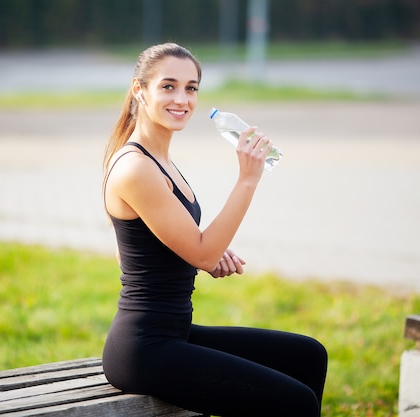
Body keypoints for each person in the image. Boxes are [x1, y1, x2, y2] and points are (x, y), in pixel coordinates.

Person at [102, 42, 327, 417]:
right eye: (168, 86)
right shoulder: (136, 166)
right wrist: (248, 180)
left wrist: (196, 251)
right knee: (296, 403)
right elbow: (201, 252)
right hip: (145, 348)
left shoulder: (158, 159)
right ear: (139, 90)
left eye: (191, 88)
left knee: (307, 356)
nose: (183, 98)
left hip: (175, 331)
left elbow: (137, 247)